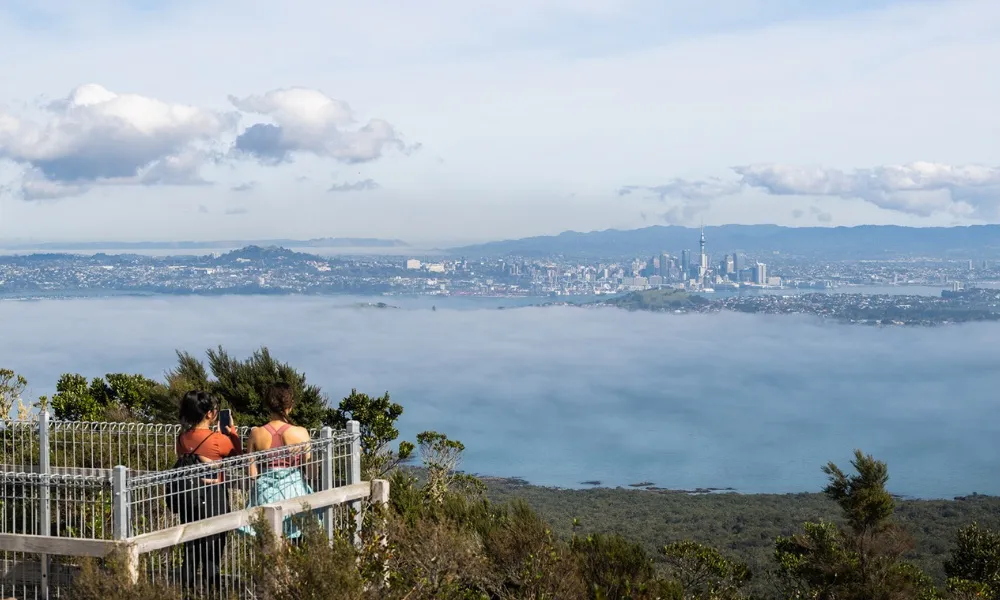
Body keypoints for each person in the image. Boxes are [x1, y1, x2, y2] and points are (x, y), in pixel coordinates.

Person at [175, 390, 242, 593]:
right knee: (213, 550)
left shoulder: (182, 439)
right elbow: (237, 456)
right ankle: (213, 592)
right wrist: (233, 434)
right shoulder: (217, 439)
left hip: (189, 497)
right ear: (211, 414)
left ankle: (186, 593)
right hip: (213, 496)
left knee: (191, 549)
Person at [238, 382, 313, 539]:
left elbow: (251, 473)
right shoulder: (300, 432)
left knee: (269, 547)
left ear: (268, 405)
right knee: (296, 544)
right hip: (293, 491)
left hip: (264, 493)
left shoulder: (256, 434)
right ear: (290, 405)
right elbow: (311, 471)